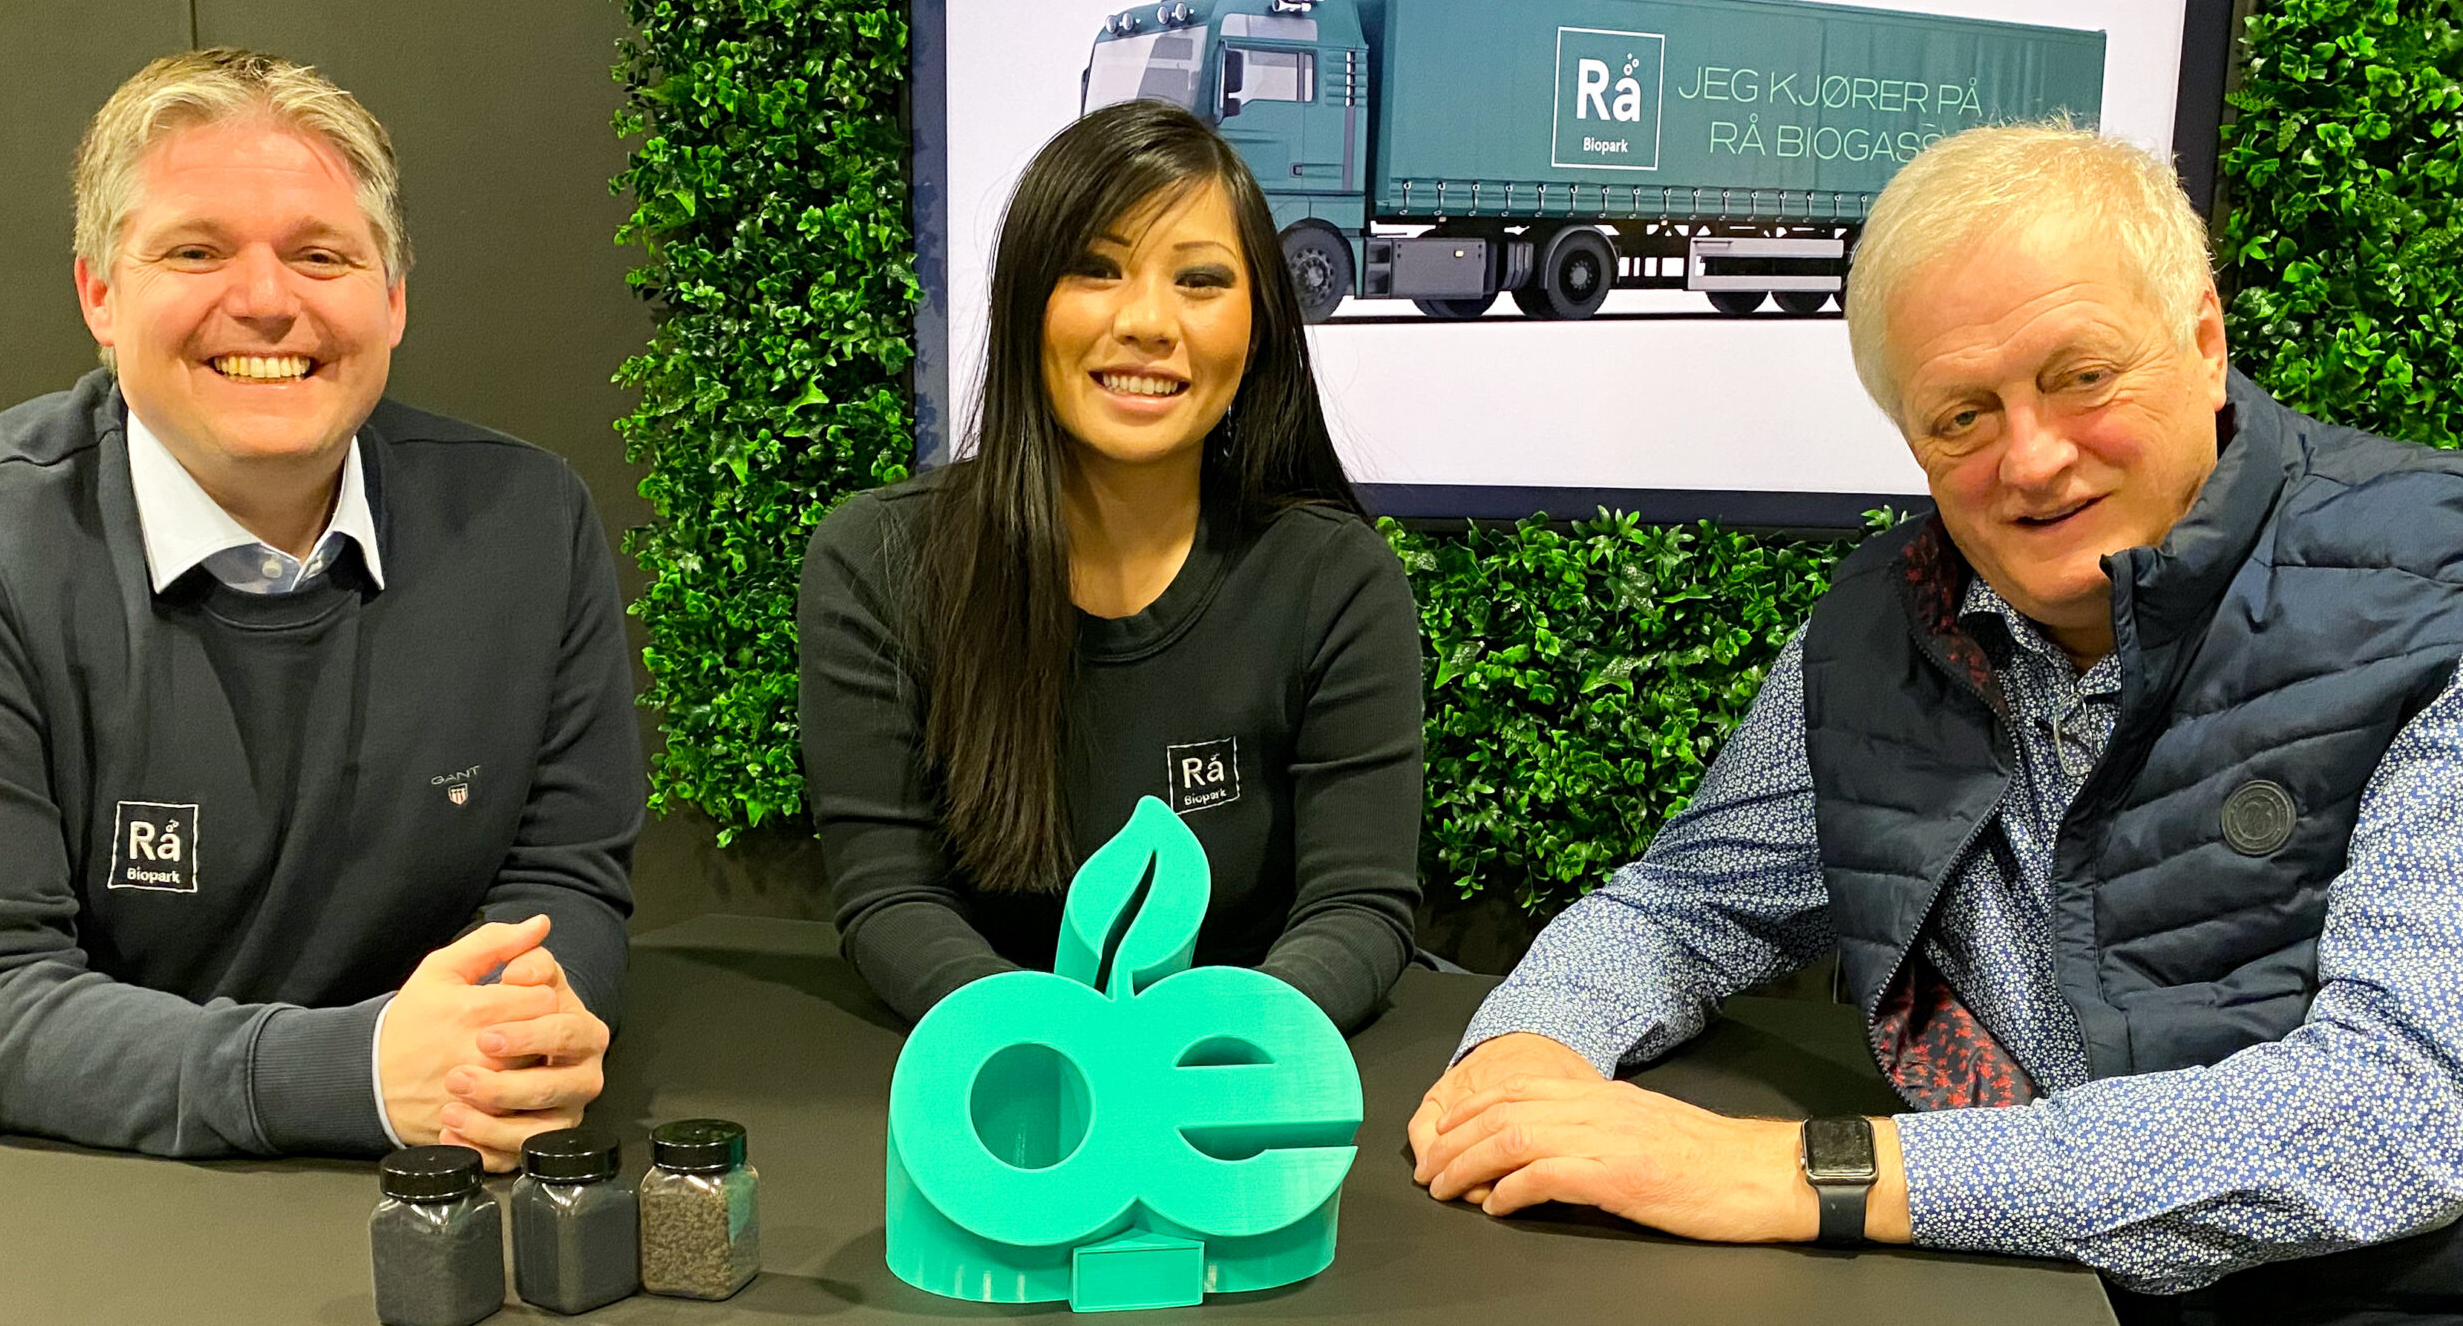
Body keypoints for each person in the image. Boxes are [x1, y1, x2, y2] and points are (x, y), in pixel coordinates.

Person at [1407, 124, 2463, 1323]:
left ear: (2205, 342)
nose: (2032, 459)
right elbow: (1686, 907)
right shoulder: (1878, 630)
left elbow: (2400, 1106)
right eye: (1962, 415)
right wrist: (1528, 1056)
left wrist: (1804, 1171)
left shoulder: (2432, 589)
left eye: (2080, 375)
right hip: (2012, 1294)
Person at [0, 50, 642, 1170]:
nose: (263, 300)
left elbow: (565, 878)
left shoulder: (529, 523)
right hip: (65, 1192)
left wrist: (496, 1049)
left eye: (320, 255)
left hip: (428, 1164)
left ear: (393, 298)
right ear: (99, 295)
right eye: (195, 251)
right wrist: (355, 1072)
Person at [798, 99, 1422, 1033]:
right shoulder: (877, 563)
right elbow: (892, 898)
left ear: (1258, 327)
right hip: (1001, 1078)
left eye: (1201, 280)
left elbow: (1357, 908)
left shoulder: (1336, 581)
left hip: (1239, 1081)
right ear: (1025, 306)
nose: (1148, 322)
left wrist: (1204, 1052)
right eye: (1097, 268)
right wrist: (1066, 1053)